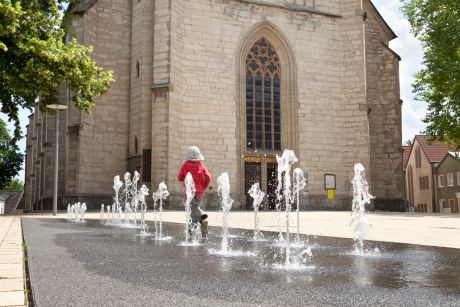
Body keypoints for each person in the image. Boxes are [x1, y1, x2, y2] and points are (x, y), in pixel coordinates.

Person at [177, 146, 211, 242]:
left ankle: (202, 217)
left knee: (193, 209)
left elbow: (179, 177)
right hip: (199, 191)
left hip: (189, 192)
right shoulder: (200, 165)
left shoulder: (185, 165)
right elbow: (208, 176)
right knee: (192, 210)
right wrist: (204, 186)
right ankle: (194, 231)